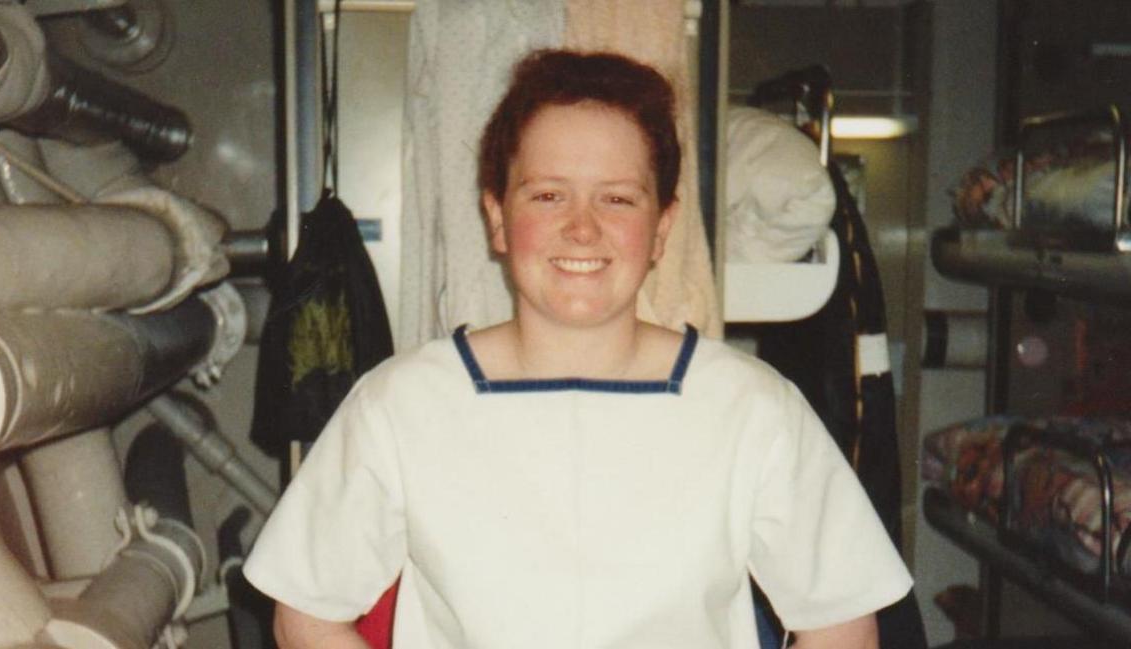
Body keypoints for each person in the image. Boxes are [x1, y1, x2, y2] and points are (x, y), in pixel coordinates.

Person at [243, 49, 912, 649]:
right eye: (548, 195)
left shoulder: (752, 409)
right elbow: (304, 611)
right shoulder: (402, 404)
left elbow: (841, 620)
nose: (583, 228)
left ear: (661, 228)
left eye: (618, 199)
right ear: (499, 219)